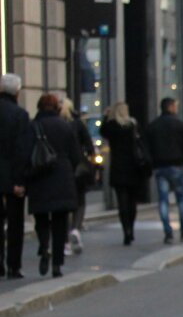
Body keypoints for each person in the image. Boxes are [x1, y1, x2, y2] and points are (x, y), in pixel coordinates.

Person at [16, 94, 82, 277]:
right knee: (60, 222)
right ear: (57, 108)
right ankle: (57, 264)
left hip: (39, 178)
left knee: (42, 218)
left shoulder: (33, 126)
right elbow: (76, 155)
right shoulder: (66, 126)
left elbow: (24, 154)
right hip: (62, 177)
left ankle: (44, 246)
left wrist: (22, 179)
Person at [144, 97, 183, 244]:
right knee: (181, 199)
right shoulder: (179, 124)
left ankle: (168, 232)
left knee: (163, 200)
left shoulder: (153, 126)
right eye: (175, 106)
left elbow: (147, 148)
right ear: (171, 107)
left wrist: (153, 163)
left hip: (160, 167)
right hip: (177, 165)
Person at [99, 102, 148, 245]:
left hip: (118, 168)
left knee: (122, 202)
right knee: (132, 202)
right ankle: (131, 229)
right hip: (133, 167)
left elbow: (102, 131)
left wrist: (105, 116)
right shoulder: (132, 125)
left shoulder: (112, 126)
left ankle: (125, 229)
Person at [0, 72, 29, 278]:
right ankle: (13, 265)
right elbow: (21, 150)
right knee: (15, 223)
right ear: (17, 91)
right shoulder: (20, 115)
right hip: (12, 176)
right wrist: (19, 181)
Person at [60, 99, 94, 256]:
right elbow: (89, 145)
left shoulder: (57, 122)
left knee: (64, 204)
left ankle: (66, 240)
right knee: (80, 201)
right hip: (78, 167)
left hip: (60, 169)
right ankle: (75, 228)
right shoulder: (77, 123)